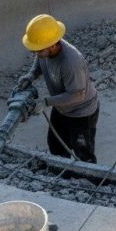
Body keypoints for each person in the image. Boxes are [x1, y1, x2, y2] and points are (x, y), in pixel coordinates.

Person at [20, 13, 99, 162]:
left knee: (84, 155)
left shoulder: (71, 63)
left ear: (52, 45)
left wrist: (46, 102)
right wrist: (31, 75)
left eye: (38, 50)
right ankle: (65, 173)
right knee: (56, 147)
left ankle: (86, 176)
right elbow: (40, 61)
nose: (36, 53)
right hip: (62, 108)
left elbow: (77, 95)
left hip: (81, 113)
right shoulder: (45, 51)